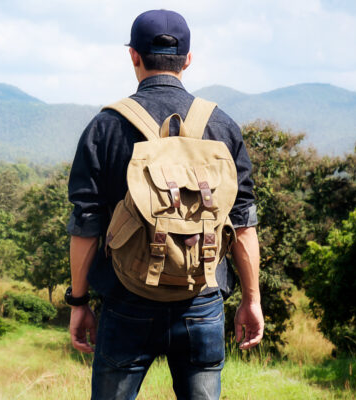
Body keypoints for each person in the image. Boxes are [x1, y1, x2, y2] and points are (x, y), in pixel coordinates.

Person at [64, 9, 264, 400]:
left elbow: (86, 226)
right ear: (188, 60)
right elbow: (242, 223)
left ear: (133, 56)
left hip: (126, 297)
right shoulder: (221, 126)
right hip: (202, 297)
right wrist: (251, 300)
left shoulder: (106, 127)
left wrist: (79, 301)